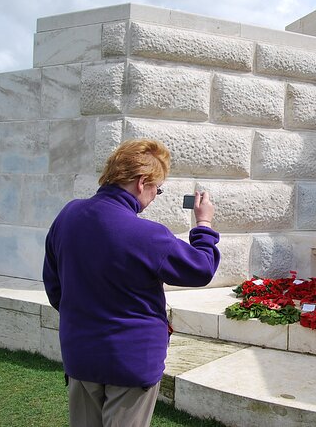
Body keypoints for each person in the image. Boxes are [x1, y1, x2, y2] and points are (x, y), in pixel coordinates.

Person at [42, 139, 220, 427]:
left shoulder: (68, 215)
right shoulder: (148, 235)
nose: (154, 195)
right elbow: (201, 268)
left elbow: (54, 286)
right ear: (141, 182)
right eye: (157, 189)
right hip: (132, 359)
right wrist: (204, 225)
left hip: (80, 351)